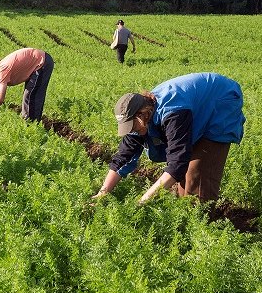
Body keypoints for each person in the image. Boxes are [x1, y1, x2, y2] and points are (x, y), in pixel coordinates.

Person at [92, 72, 245, 204]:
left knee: (198, 174)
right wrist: (102, 193)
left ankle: (200, 223)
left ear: (141, 115)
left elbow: (177, 164)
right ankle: (185, 214)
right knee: (184, 181)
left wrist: (143, 201)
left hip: (220, 102)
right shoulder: (141, 118)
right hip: (196, 107)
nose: (131, 131)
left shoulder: (173, 113)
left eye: (132, 126)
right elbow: (123, 158)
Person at [0, 47, 54, 121]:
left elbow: (0, 99)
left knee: (30, 96)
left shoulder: (2, 72)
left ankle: (30, 124)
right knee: (30, 94)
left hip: (42, 62)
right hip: (38, 61)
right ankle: (31, 122)